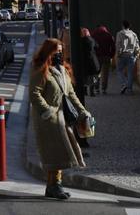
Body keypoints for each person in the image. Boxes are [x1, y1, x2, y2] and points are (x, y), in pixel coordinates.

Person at [30, 38, 91, 200]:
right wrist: (47, 110)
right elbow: (34, 93)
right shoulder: (41, 69)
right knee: (55, 153)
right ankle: (55, 186)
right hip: (47, 119)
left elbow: (71, 94)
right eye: (56, 51)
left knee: (60, 152)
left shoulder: (63, 70)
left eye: (60, 51)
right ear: (48, 51)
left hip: (62, 117)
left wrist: (83, 111)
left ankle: (53, 185)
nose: (59, 54)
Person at [116, 20, 140, 94]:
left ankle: (124, 83)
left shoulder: (120, 34)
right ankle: (129, 89)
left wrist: (118, 54)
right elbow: (137, 45)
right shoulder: (134, 34)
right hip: (131, 55)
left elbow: (118, 44)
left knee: (119, 70)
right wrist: (136, 54)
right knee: (130, 73)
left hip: (122, 55)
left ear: (123, 26)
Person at [93, 25, 116, 94]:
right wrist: (111, 55)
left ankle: (97, 88)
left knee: (96, 73)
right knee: (105, 74)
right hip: (106, 57)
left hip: (97, 57)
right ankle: (104, 89)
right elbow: (113, 47)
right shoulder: (108, 35)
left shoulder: (94, 35)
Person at [80, 28, 101, 97]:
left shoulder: (80, 41)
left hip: (83, 61)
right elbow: (97, 47)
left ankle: (85, 91)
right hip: (92, 61)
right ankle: (92, 92)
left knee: (84, 76)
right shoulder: (92, 40)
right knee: (92, 77)